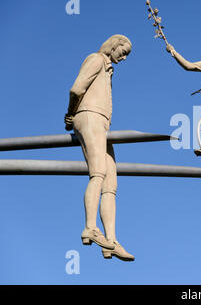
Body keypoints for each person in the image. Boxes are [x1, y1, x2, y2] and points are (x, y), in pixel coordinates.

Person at [64, 34, 134, 261]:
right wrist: (71, 113)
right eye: (122, 53)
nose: (123, 59)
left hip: (102, 123)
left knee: (110, 184)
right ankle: (90, 227)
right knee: (97, 173)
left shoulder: (108, 69)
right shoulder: (95, 59)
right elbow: (76, 89)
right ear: (113, 46)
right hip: (90, 116)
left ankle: (110, 240)